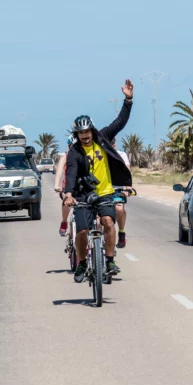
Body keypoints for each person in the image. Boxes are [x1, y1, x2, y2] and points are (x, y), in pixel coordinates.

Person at [63, 79, 134, 282]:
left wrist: (128, 99)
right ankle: (82, 263)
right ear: (76, 134)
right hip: (83, 194)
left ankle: (110, 260)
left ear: (92, 131)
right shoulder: (74, 152)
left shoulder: (102, 138)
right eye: (81, 133)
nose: (85, 136)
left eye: (87, 132)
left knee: (108, 222)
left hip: (105, 193)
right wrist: (68, 194)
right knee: (82, 230)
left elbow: (120, 121)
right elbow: (71, 173)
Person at [111, 137, 131, 249]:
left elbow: (127, 171)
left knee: (119, 209)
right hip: (101, 190)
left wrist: (127, 188)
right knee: (98, 221)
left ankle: (121, 232)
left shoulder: (121, 155)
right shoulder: (98, 154)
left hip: (117, 189)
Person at [53, 137, 73, 236]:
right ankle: (64, 222)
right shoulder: (65, 157)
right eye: (71, 146)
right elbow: (59, 171)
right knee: (66, 202)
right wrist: (57, 185)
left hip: (82, 188)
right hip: (67, 187)